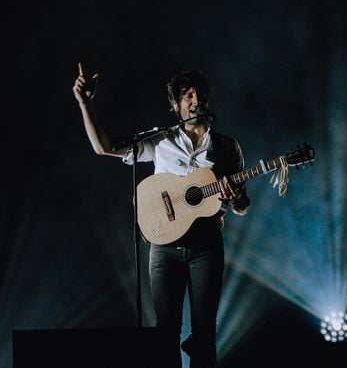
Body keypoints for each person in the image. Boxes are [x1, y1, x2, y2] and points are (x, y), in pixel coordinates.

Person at [72, 62, 250, 368]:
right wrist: (85, 104)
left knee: (205, 333)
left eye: (200, 95)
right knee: (165, 332)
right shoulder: (162, 141)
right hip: (164, 248)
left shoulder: (226, 147)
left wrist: (236, 197)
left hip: (206, 246)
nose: (196, 100)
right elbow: (103, 148)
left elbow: (243, 206)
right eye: (188, 96)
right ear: (176, 105)